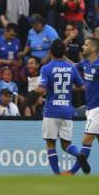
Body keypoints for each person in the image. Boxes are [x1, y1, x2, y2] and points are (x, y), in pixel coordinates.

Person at [36, 39, 90, 175]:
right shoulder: (71, 68)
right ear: (65, 52)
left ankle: (57, 174)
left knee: (50, 144)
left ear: (50, 52)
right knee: (66, 145)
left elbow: (42, 90)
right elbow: (83, 87)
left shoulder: (46, 68)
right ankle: (78, 154)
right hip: (67, 110)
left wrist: (35, 90)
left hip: (51, 110)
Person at [68, 37, 99, 175]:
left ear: (94, 49)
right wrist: (61, 58)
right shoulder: (85, 63)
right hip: (91, 109)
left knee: (86, 140)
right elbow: (72, 66)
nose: (83, 47)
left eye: (86, 45)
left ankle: (72, 172)